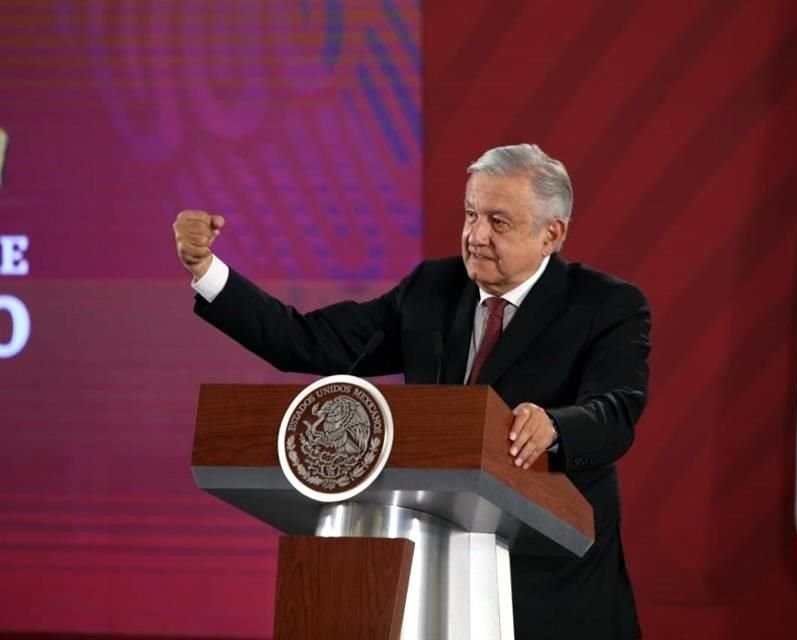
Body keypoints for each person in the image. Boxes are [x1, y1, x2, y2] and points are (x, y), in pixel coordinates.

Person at [174, 143, 651, 639]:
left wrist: (555, 426)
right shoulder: (433, 287)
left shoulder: (606, 304)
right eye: (470, 214)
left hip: (552, 585)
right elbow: (311, 341)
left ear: (552, 233)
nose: (476, 236)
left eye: (498, 221)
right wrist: (208, 273)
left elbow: (616, 410)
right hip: (431, 582)